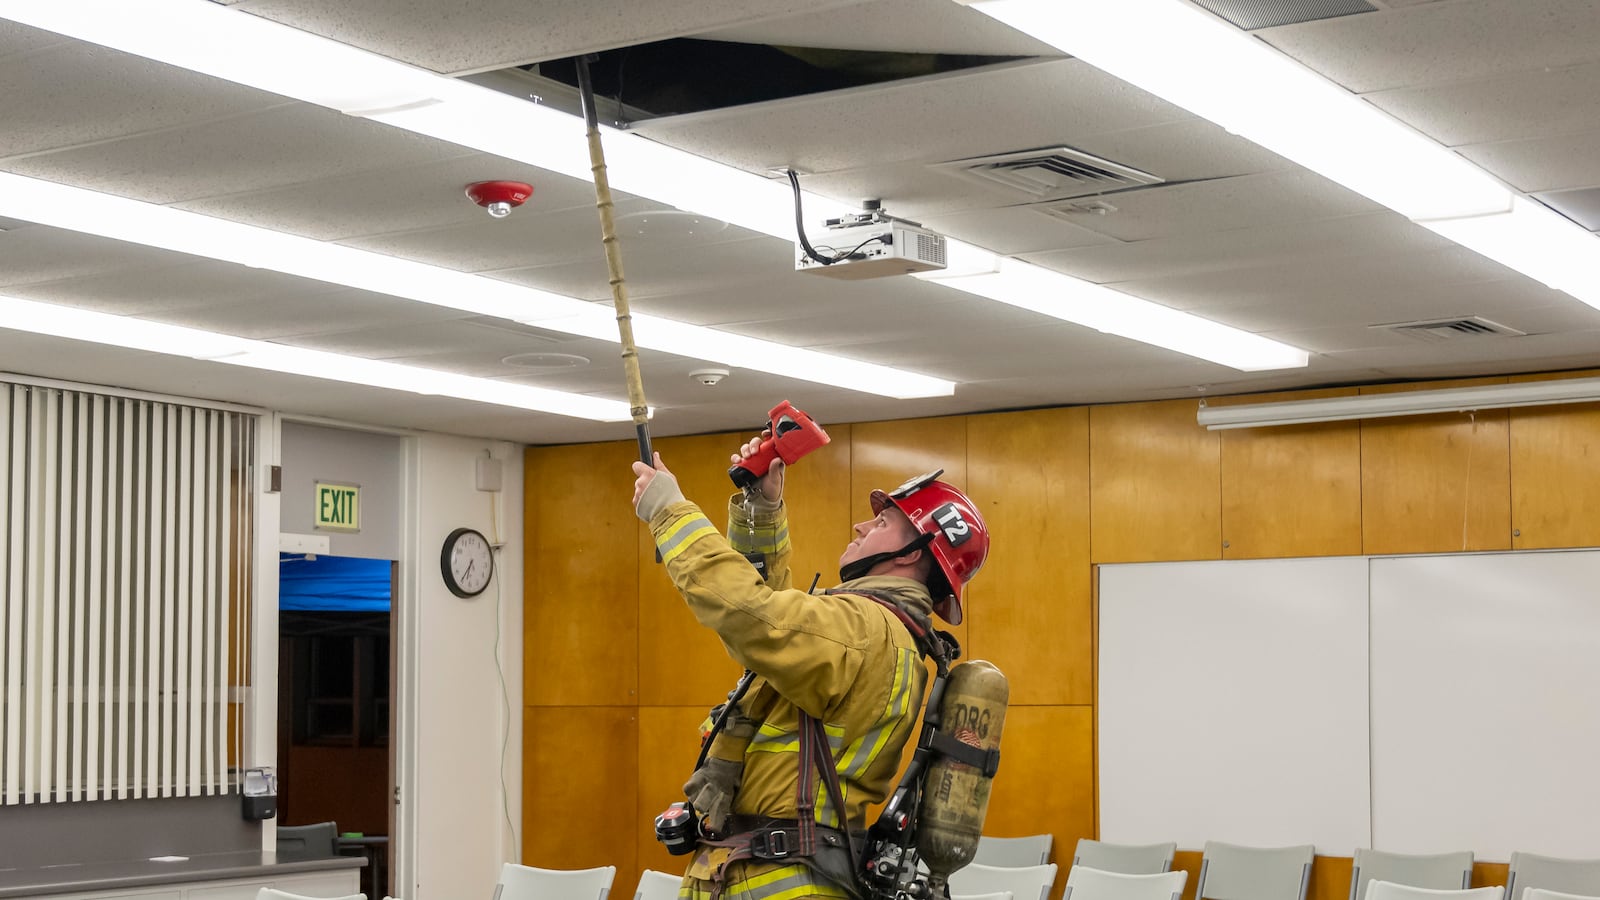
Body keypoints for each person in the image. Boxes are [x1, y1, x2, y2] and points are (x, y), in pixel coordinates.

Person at [631, 435, 990, 900]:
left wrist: (669, 509)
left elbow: (750, 614)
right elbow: (770, 620)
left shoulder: (864, 629)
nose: (861, 526)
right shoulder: (887, 636)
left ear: (910, 554)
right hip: (771, 872)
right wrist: (760, 506)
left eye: (881, 522)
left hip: (775, 880)